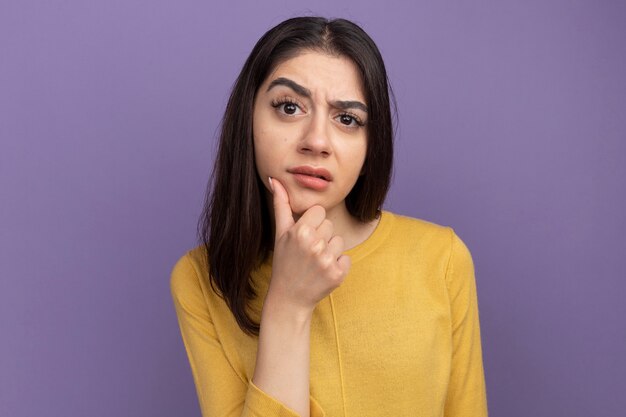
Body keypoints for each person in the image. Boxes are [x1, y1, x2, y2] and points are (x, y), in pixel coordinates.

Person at [170, 16, 488, 417]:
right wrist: (287, 304)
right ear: (247, 120)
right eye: (289, 107)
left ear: (371, 145)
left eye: (347, 119)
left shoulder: (442, 260)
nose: (317, 141)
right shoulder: (202, 279)